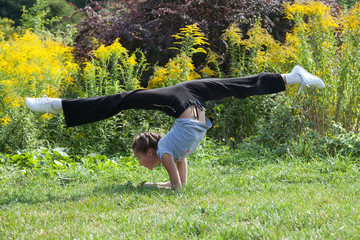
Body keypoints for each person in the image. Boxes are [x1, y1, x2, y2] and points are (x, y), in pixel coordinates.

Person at [25, 65, 325, 190]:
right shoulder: (175, 149)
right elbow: (177, 183)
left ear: (148, 149)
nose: (139, 163)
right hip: (193, 98)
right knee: (235, 87)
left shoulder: (168, 148)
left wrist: (160, 186)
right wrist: (159, 185)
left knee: (124, 99)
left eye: (138, 157)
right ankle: (289, 77)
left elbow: (176, 188)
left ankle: (55, 103)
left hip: (182, 99)